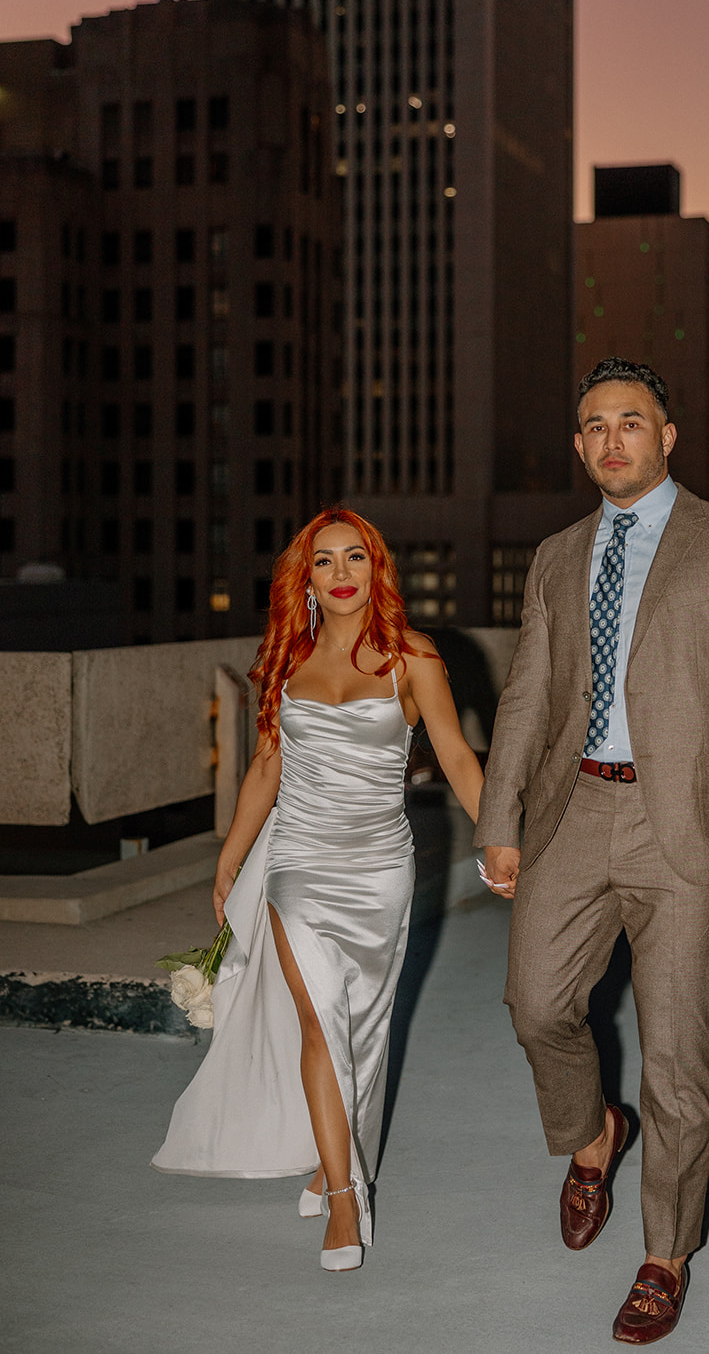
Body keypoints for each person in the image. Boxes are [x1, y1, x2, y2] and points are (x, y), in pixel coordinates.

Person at [473, 357, 709, 1344]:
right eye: (592, 425)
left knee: (678, 1058)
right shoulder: (554, 554)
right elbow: (528, 692)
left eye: (631, 420)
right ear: (578, 447)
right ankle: (591, 1134)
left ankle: (663, 1254)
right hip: (571, 810)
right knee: (534, 1002)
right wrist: (497, 815)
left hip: (690, 830)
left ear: (666, 435)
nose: (611, 438)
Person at [153, 507, 483, 1272]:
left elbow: (460, 760)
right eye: (324, 561)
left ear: (378, 571)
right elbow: (265, 769)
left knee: (362, 1023)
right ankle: (343, 1198)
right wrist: (232, 856)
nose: (340, 575)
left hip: (379, 867)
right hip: (296, 862)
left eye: (354, 559)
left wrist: (504, 839)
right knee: (316, 1021)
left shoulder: (413, 659)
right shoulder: (286, 659)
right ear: (305, 577)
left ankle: (330, 1160)